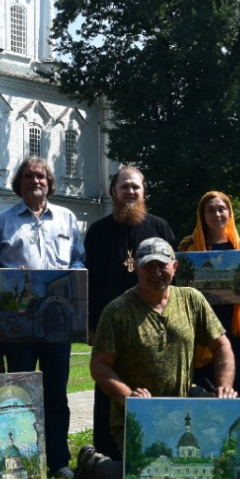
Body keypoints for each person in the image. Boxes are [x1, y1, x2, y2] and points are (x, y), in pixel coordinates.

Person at [76, 237, 237, 479]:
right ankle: (91, 462)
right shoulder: (117, 311)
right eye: (148, 266)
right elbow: (99, 365)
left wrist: (224, 387)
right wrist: (128, 397)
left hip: (182, 409)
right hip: (138, 417)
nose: (156, 272)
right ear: (136, 268)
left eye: (162, 265)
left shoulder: (192, 300)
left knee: (207, 478)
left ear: (174, 266)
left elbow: (222, 346)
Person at [0, 157, 86, 479]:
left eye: (40, 176)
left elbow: (80, 263)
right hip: (19, 324)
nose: (35, 181)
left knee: (56, 392)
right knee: (20, 393)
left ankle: (58, 460)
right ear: (19, 183)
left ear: (49, 182)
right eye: (28, 176)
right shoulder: (2, 222)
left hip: (58, 322)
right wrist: (11, 277)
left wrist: (69, 277)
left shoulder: (68, 219)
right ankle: (24, 459)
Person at [83, 166, 177, 459]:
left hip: (152, 322)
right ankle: (106, 452)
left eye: (135, 187)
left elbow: (173, 274)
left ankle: (152, 447)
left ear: (144, 191)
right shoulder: (98, 232)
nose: (130, 192)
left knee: (149, 382)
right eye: (124, 187)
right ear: (113, 192)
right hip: (110, 324)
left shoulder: (160, 228)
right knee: (109, 383)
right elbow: (89, 280)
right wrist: (90, 325)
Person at [178, 191, 240, 400]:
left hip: (233, 325)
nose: (217, 214)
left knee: (238, 393)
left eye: (221, 209)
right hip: (201, 328)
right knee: (201, 392)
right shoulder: (188, 247)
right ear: (202, 214)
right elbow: (180, 288)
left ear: (229, 213)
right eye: (211, 210)